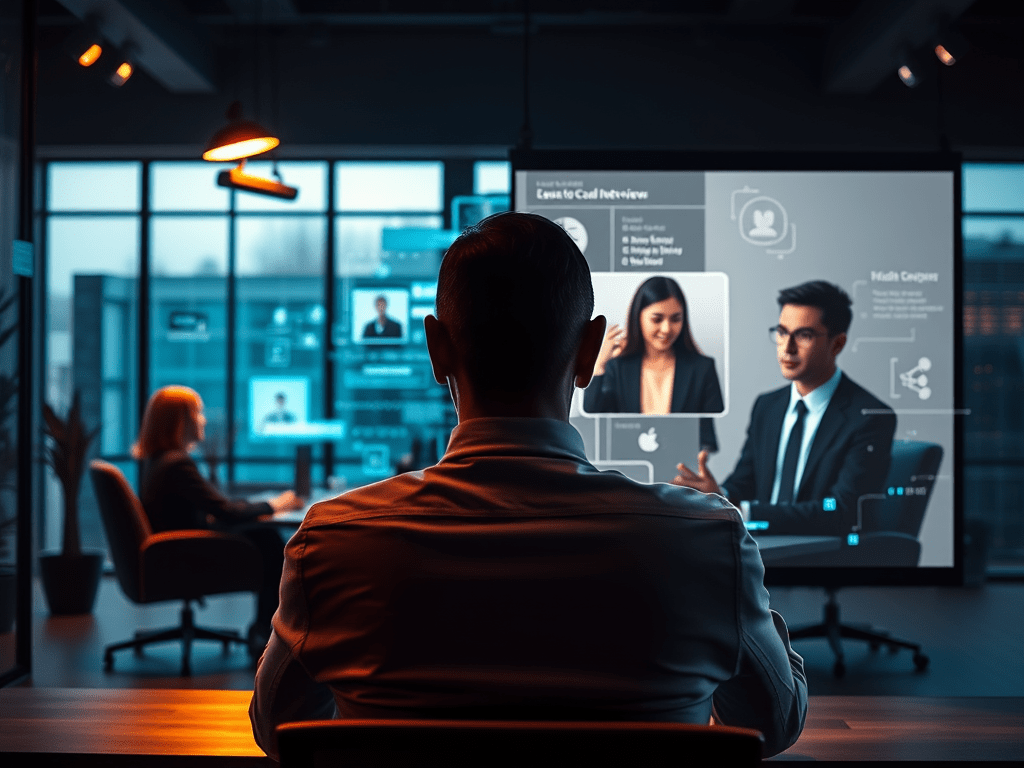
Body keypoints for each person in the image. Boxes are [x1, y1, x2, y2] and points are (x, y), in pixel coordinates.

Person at [250, 212, 806, 760]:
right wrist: (740, 602)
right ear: (589, 351)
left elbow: (278, 731)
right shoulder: (708, 541)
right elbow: (771, 723)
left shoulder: (331, 542)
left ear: (436, 349)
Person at [672, 280, 896, 537]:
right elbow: (745, 481)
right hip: (759, 544)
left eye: (804, 335)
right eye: (781, 332)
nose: (787, 348)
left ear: (837, 344)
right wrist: (715, 496)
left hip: (818, 550)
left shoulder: (869, 417)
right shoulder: (767, 406)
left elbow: (843, 511)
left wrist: (742, 512)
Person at [133, 386, 304, 653]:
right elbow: (227, 513)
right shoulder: (177, 464)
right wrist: (275, 504)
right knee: (269, 541)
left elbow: (216, 508)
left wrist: (255, 507)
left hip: (178, 547)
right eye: (197, 413)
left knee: (263, 537)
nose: (203, 420)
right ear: (180, 421)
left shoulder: (160, 461)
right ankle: (266, 632)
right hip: (187, 552)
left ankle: (265, 629)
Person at [583, 275, 724, 450]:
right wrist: (599, 365)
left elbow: (707, 436)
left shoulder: (702, 368)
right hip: (628, 463)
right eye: (657, 319)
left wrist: (701, 455)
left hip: (680, 464)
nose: (666, 329)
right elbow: (593, 416)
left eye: (676, 319)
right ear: (638, 317)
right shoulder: (617, 367)